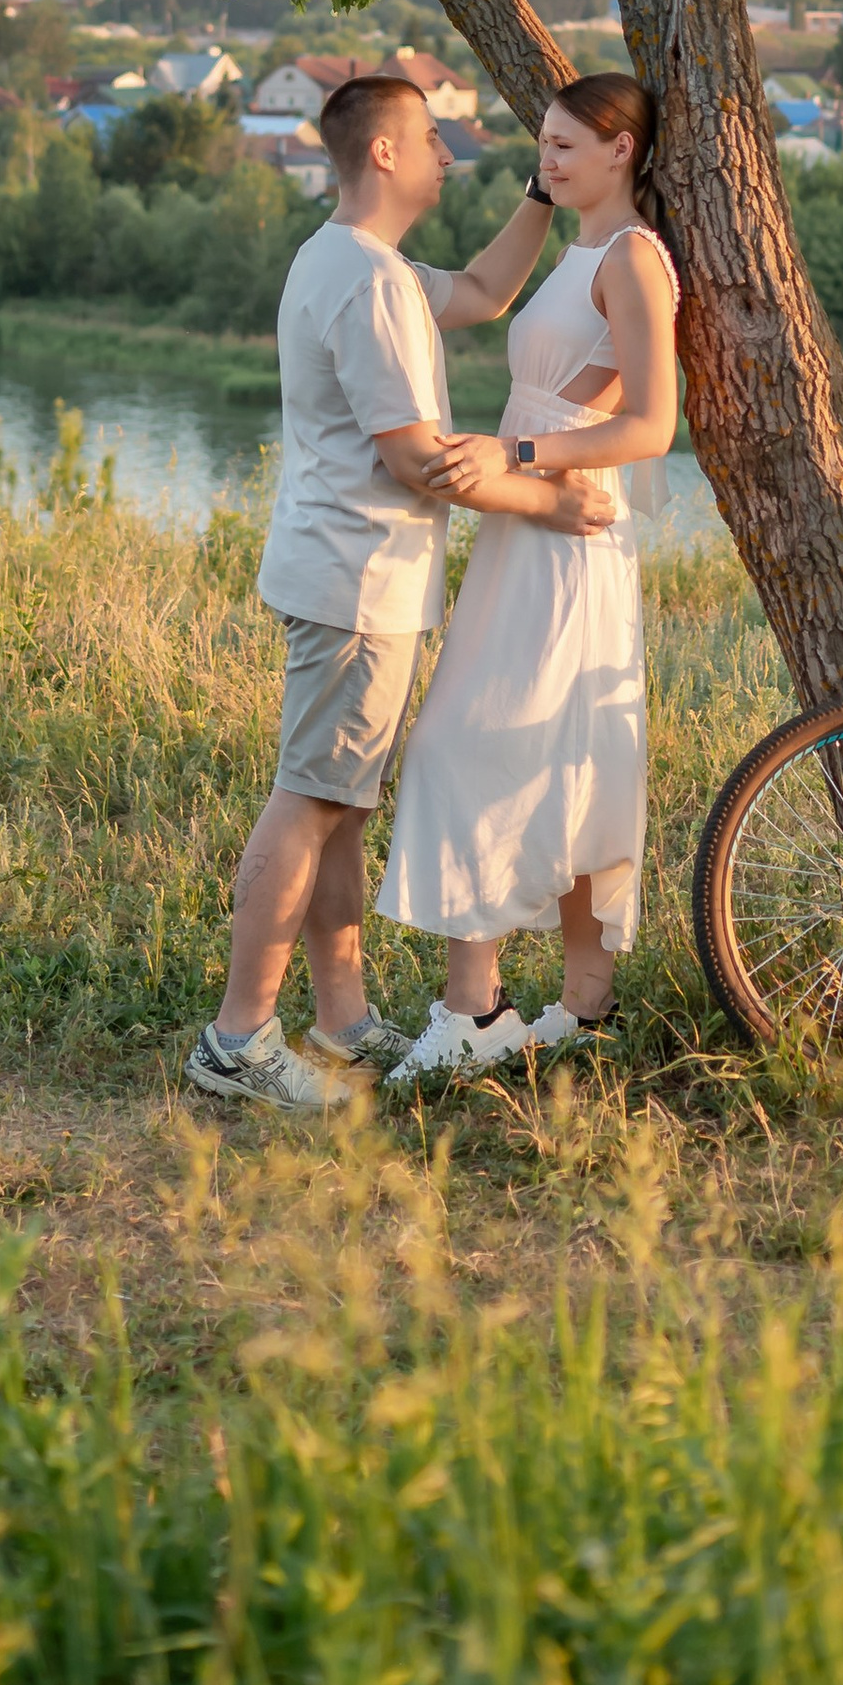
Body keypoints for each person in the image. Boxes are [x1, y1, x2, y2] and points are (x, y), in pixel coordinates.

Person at [184, 69, 614, 1114]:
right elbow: (418, 458)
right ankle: (237, 1040)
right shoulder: (365, 283)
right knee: (313, 798)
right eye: (429, 137)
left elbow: (478, 292)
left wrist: (541, 194)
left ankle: (340, 1018)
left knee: (337, 807)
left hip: (353, 577)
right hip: (355, 581)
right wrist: (546, 500)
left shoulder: (352, 260)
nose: (443, 154)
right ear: (383, 152)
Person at [379, 74, 678, 1082]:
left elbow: (650, 424)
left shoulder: (633, 258)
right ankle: (584, 1008)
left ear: (621, 149)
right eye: (540, 143)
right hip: (529, 526)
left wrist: (520, 459)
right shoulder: (578, 245)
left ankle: (475, 1010)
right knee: (564, 752)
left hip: (571, 527)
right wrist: (513, 465)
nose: (544, 159)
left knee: (467, 744)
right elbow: (487, 298)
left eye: (562, 145)